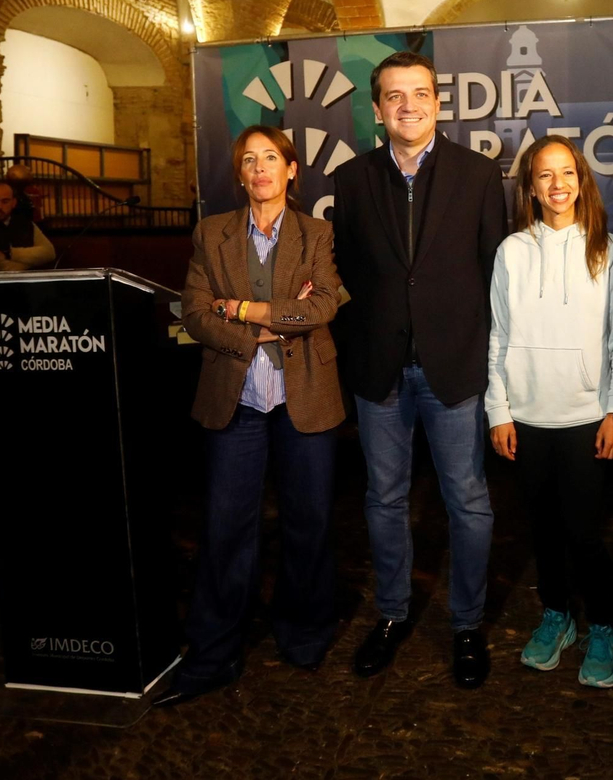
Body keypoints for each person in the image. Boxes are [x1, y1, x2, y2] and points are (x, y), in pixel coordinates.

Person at [331, 51, 507, 689]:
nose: (409, 105)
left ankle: (466, 624)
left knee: (467, 501)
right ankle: (392, 614)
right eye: (394, 96)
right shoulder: (350, 183)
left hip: (454, 368)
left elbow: (496, 275)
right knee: (383, 499)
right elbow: (348, 273)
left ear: (438, 102)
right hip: (379, 367)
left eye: (420, 93)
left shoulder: (481, 176)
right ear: (377, 109)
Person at [156, 125, 345, 707]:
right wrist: (263, 329)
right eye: (248, 160)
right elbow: (193, 313)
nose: (260, 168)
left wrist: (242, 310)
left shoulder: (318, 232)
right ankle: (213, 653)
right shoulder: (210, 233)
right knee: (224, 530)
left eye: (271, 158)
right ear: (239, 174)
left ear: (292, 171)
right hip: (234, 398)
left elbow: (325, 303)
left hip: (305, 395)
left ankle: (304, 633)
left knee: (307, 523)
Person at [485, 135, 613, 688]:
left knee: (584, 532)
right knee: (542, 530)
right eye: (545, 175)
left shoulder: (610, 250)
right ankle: (557, 614)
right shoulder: (511, 252)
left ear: (581, 180)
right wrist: (498, 410)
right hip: (525, 417)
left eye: (566, 173)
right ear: (529, 185)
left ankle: (603, 624)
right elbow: (499, 335)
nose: (557, 185)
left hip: (585, 418)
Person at [0, 172, 54, 272]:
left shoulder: (25, 223)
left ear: (13, 203)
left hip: (28, 285)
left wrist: (9, 254)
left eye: (5, 201)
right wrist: (31, 264)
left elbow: (49, 252)